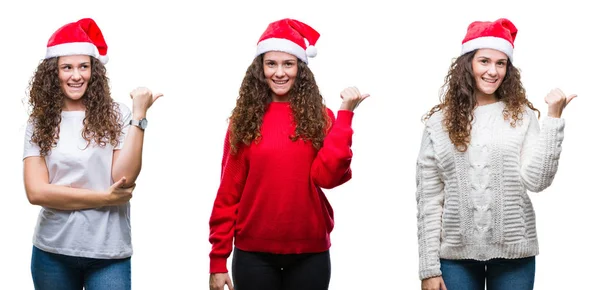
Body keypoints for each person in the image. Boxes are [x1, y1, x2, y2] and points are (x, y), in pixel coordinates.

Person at [208, 18, 369, 290]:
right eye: (271, 64)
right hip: (253, 254)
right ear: (260, 69)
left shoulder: (321, 118)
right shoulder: (244, 121)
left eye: (288, 64)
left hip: (310, 253)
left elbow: (328, 177)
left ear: (300, 69)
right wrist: (218, 260)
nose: (279, 72)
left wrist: (345, 116)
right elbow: (228, 193)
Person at [416, 18, 576, 290]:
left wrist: (554, 118)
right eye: (484, 61)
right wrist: (428, 269)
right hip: (456, 258)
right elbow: (429, 199)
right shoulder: (438, 123)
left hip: (515, 254)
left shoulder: (522, 116)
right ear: (468, 64)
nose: (493, 71)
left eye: (500, 63)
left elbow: (537, 181)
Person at [22, 18, 162, 290]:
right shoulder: (39, 123)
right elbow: (36, 192)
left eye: (83, 66)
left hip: (108, 253)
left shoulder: (117, 114)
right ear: (54, 73)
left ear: (93, 70)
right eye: (67, 67)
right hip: (52, 251)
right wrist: (104, 197)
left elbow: (123, 177)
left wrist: (139, 116)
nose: (76, 75)